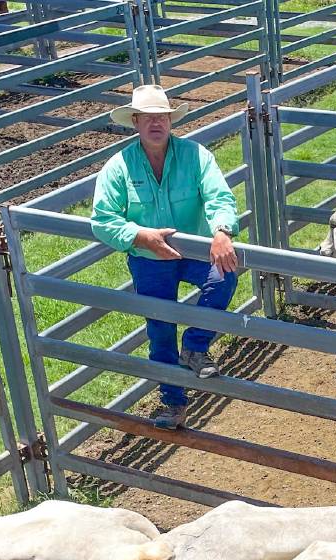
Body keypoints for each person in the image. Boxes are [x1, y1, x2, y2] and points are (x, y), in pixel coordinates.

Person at [91, 84, 240, 429]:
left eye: (162, 117)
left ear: (171, 120)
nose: (155, 124)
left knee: (223, 276)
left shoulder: (195, 155)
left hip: (193, 249)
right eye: (148, 118)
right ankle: (173, 404)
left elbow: (220, 196)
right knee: (160, 330)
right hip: (148, 257)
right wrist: (139, 236)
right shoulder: (119, 167)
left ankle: (194, 345)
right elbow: (102, 219)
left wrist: (221, 231)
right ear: (136, 122)